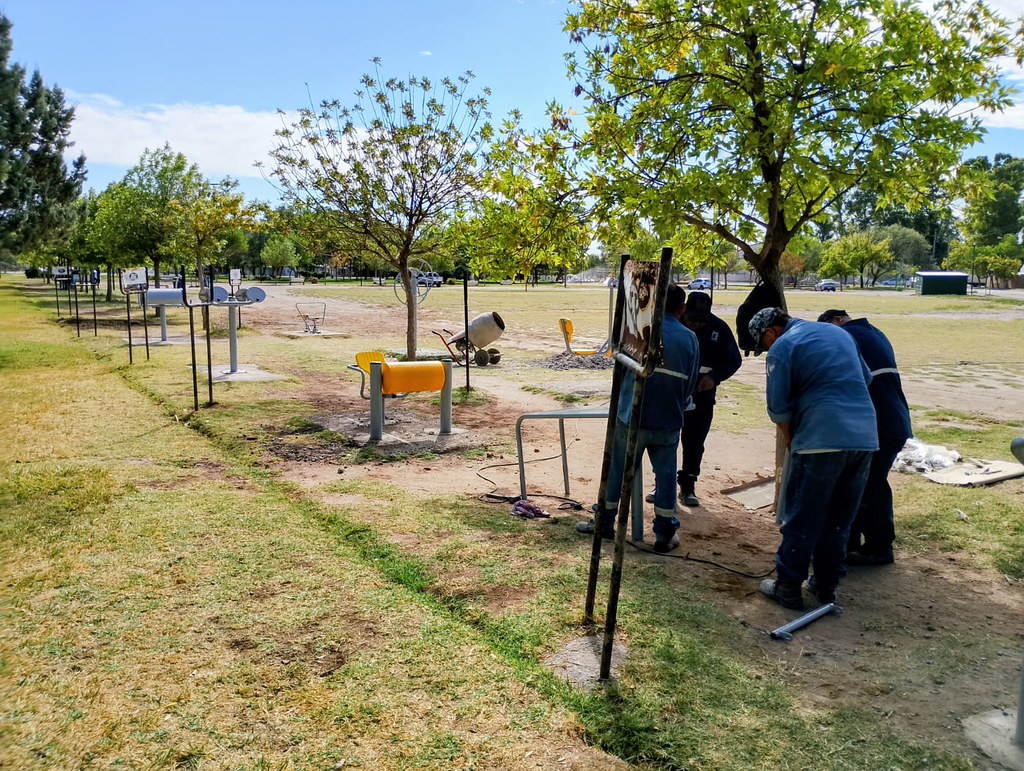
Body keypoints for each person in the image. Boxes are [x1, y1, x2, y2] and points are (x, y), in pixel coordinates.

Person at [748, 307, 878, 609]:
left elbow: (778, 408)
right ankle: (825, 586)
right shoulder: (837, 333)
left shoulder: (782, 347)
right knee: (839, 519)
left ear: (770, 332)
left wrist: (793, 441)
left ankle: (788, 587)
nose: (766, 348)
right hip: (864, 437)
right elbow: (866, 378)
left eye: (763, 343)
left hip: (820, 439)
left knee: (803, 517)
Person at [577, 284, 700, 553]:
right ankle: (665, 534)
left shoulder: (639, 330)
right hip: (668, 419)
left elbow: (621, 371)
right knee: (666, 477)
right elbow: (690, 383)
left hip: (631, 416)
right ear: (681, 309)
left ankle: (604, 522)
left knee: (616, 471)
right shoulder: (690, 338)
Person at [817, 309, 912, 566]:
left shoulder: (848, 336)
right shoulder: (873, 333)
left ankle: (879, 547)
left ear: (837, 321)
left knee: (870, 485)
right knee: (863, 483)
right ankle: (853, 542)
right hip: (890, 420)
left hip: (879, 423)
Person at [676, 291, 742, 506]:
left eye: (701, 321)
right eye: (692, 319)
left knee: (694, 441)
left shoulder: (719, 328)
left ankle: (688, 486)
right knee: (665, 437)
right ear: (684, 310)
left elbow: (734, 360)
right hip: (673, 391)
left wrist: (714, 377)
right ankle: (662, 483)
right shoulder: (674, 324)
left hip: (702, 394)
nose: (695, 325)